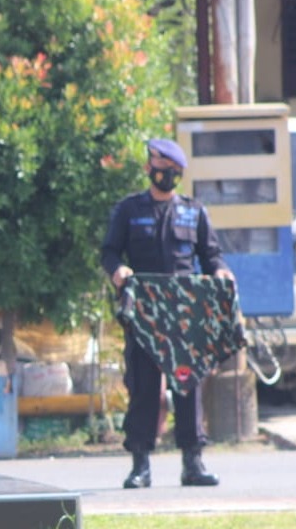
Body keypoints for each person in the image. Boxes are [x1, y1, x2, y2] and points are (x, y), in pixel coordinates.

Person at [101, 138, 235, 489]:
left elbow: (211, 255)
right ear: (149, 169)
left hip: (184, 315)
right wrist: (118, 271)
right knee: (144, 387)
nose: (167, 177)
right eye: (162, 170)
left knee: (188, 385)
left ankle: (193, 462)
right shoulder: (129, 210)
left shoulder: (194, 211)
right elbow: (109, 252)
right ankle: (140, 464)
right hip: (145, 313)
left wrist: (221, 272)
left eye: (174, 172)